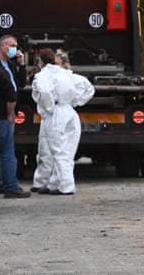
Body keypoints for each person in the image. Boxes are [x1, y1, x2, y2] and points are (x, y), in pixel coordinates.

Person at [30, 48, 94, 195]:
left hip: (56, 113)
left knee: (57, 151)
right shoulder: (65, 73)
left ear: (41, 61)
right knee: (67, 150)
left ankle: (66, 186)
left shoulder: (43, 75)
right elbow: (87, 87)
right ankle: (55, 184)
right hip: (70, 111)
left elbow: (45, 92)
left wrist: (49, 108)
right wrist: (77, 100)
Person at [0, 46, 30, 199]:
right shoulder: (1, 73)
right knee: (7, 155)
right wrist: (9, 114)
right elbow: (11, 97)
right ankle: (10, 188)